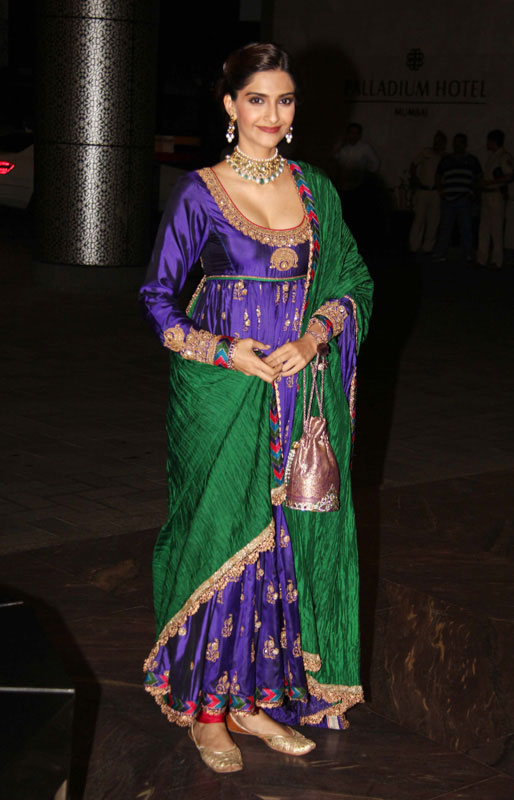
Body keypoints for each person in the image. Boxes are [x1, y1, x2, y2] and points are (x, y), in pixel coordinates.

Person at [139, 43, 373, 774]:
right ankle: (207, 713)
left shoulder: (315, 190)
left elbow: (353, 281)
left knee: (281, 548)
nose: (273, 114)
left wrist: (314, 335)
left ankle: (253, 701)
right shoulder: (200, 192)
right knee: (220, 540)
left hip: (300, 395)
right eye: (258, 99)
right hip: (225, 396)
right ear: (230, 105)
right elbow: (157, 298)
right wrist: (223, 351)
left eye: (285, 99)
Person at [432, 133, 482, 263]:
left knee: (466, 228)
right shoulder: (446, 160)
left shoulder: (472, 160)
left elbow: (479, 177)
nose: (456, 145)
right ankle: (440, 253)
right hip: (448, 198)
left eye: (459, 142)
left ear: (465, 144)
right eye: (455, 142)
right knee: (445, 227)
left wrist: (473, 192)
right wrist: (440, 191)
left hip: (464, 198)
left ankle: (468, 254)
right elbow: (438, 176)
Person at [332, 123, 381, 247]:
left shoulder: (365, 148)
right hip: (342, 186)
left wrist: (366, 176)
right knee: (342, 214)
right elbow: (333, 159)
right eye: (351, 133)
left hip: (358, 187)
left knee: (356, 215)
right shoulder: (343, 148)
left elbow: (375, 164)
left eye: (355, 133)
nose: (353, 136)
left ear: (359, 135)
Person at [476, 129, 514, 269]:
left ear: (493, 141)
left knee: (496, 229)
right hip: (487, 195)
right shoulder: (493, 156)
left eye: (488, 140)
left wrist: (490, 182)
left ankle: (497, 261)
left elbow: (509, 176)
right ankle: (482, 259)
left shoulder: (503, 156)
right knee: (484, 228)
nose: (487, 143)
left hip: (496, 195)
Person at [408, 131, 447, 254]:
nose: (437, 142)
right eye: (436, 140)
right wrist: (414, 178)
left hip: (436, 192)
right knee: (419, 219)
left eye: (440, 140)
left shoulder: (445, 157)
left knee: (433, 221)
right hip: (423, 190)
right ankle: (414, 245)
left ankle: (428, 247)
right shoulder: (426, 152)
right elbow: (414, 164)